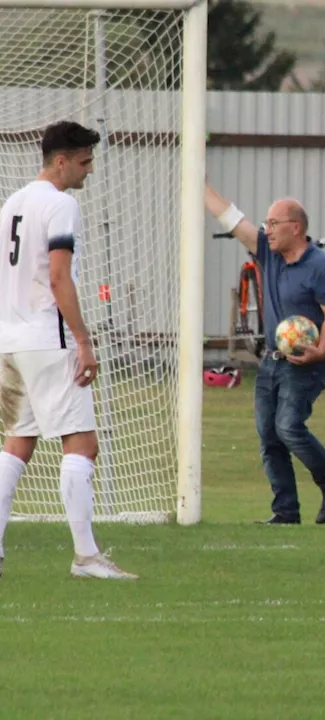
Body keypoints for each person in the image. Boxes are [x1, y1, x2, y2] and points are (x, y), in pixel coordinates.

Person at [0, 120, 136, 580]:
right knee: (83, 443)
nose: (89, 170)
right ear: (61, 161)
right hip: (47, 340)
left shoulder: (11, 204)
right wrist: (83, 339)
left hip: (11, 342)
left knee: (15, 447)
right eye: (84, 161)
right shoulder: (60, 204)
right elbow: (59, 278)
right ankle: (86, 556)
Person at [205, 184, 325, 525]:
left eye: (273, 223)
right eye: (266, 223)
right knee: (269, 437)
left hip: (306, 364)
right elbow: (229, 217)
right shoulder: (268, 253)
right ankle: (285, 512)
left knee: (288, 428)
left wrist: (320, 352)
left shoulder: (321, 267)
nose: (266, 230)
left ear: (295, 228)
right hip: (271, 361)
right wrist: (197, 180)